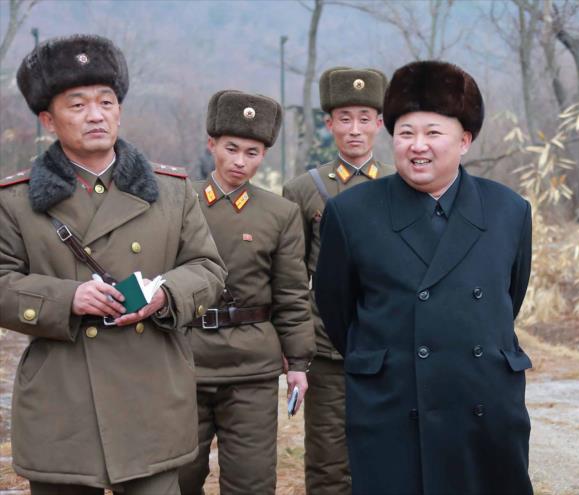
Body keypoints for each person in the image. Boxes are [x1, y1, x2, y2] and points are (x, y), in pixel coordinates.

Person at [0, 34, 227, 494]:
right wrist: (68, 298)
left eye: (106, 101)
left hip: (151, 395)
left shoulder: (171, 191)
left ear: (119, 110)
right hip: (63, 400)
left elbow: (208, 268)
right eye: (77, 104)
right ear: (48, 119)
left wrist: (165, 294)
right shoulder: (16, 201)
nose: (96, 115)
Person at [313, 60, 534, 494]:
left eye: (433, 133)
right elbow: (338, 313)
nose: (418, 146)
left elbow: (509, 296)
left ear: (464, 140)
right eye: (406, 133)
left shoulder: (509, 210)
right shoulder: (351, 213)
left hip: (484, 401)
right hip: (393, 403)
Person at [178, 90, 315, 494]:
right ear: (212, 145)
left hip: (252, 366)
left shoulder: (280, 214)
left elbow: (292, 293)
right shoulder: (180, 201)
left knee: (251, 480)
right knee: (177, 477)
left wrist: (299, 362)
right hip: (185, 358)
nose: (240, 161)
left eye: (252, 153)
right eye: (231, 148)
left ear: (263, 155)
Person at [282, 67, 393, 495]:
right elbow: (292, 275)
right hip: (328, 347)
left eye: (365, 118)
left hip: (389, 345)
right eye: (345, 119)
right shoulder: (303, 190)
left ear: (379, 123)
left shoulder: (401, 184)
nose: (355, 129)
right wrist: (295, 348)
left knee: (388, 454)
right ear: (329, 124)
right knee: (328, 461)